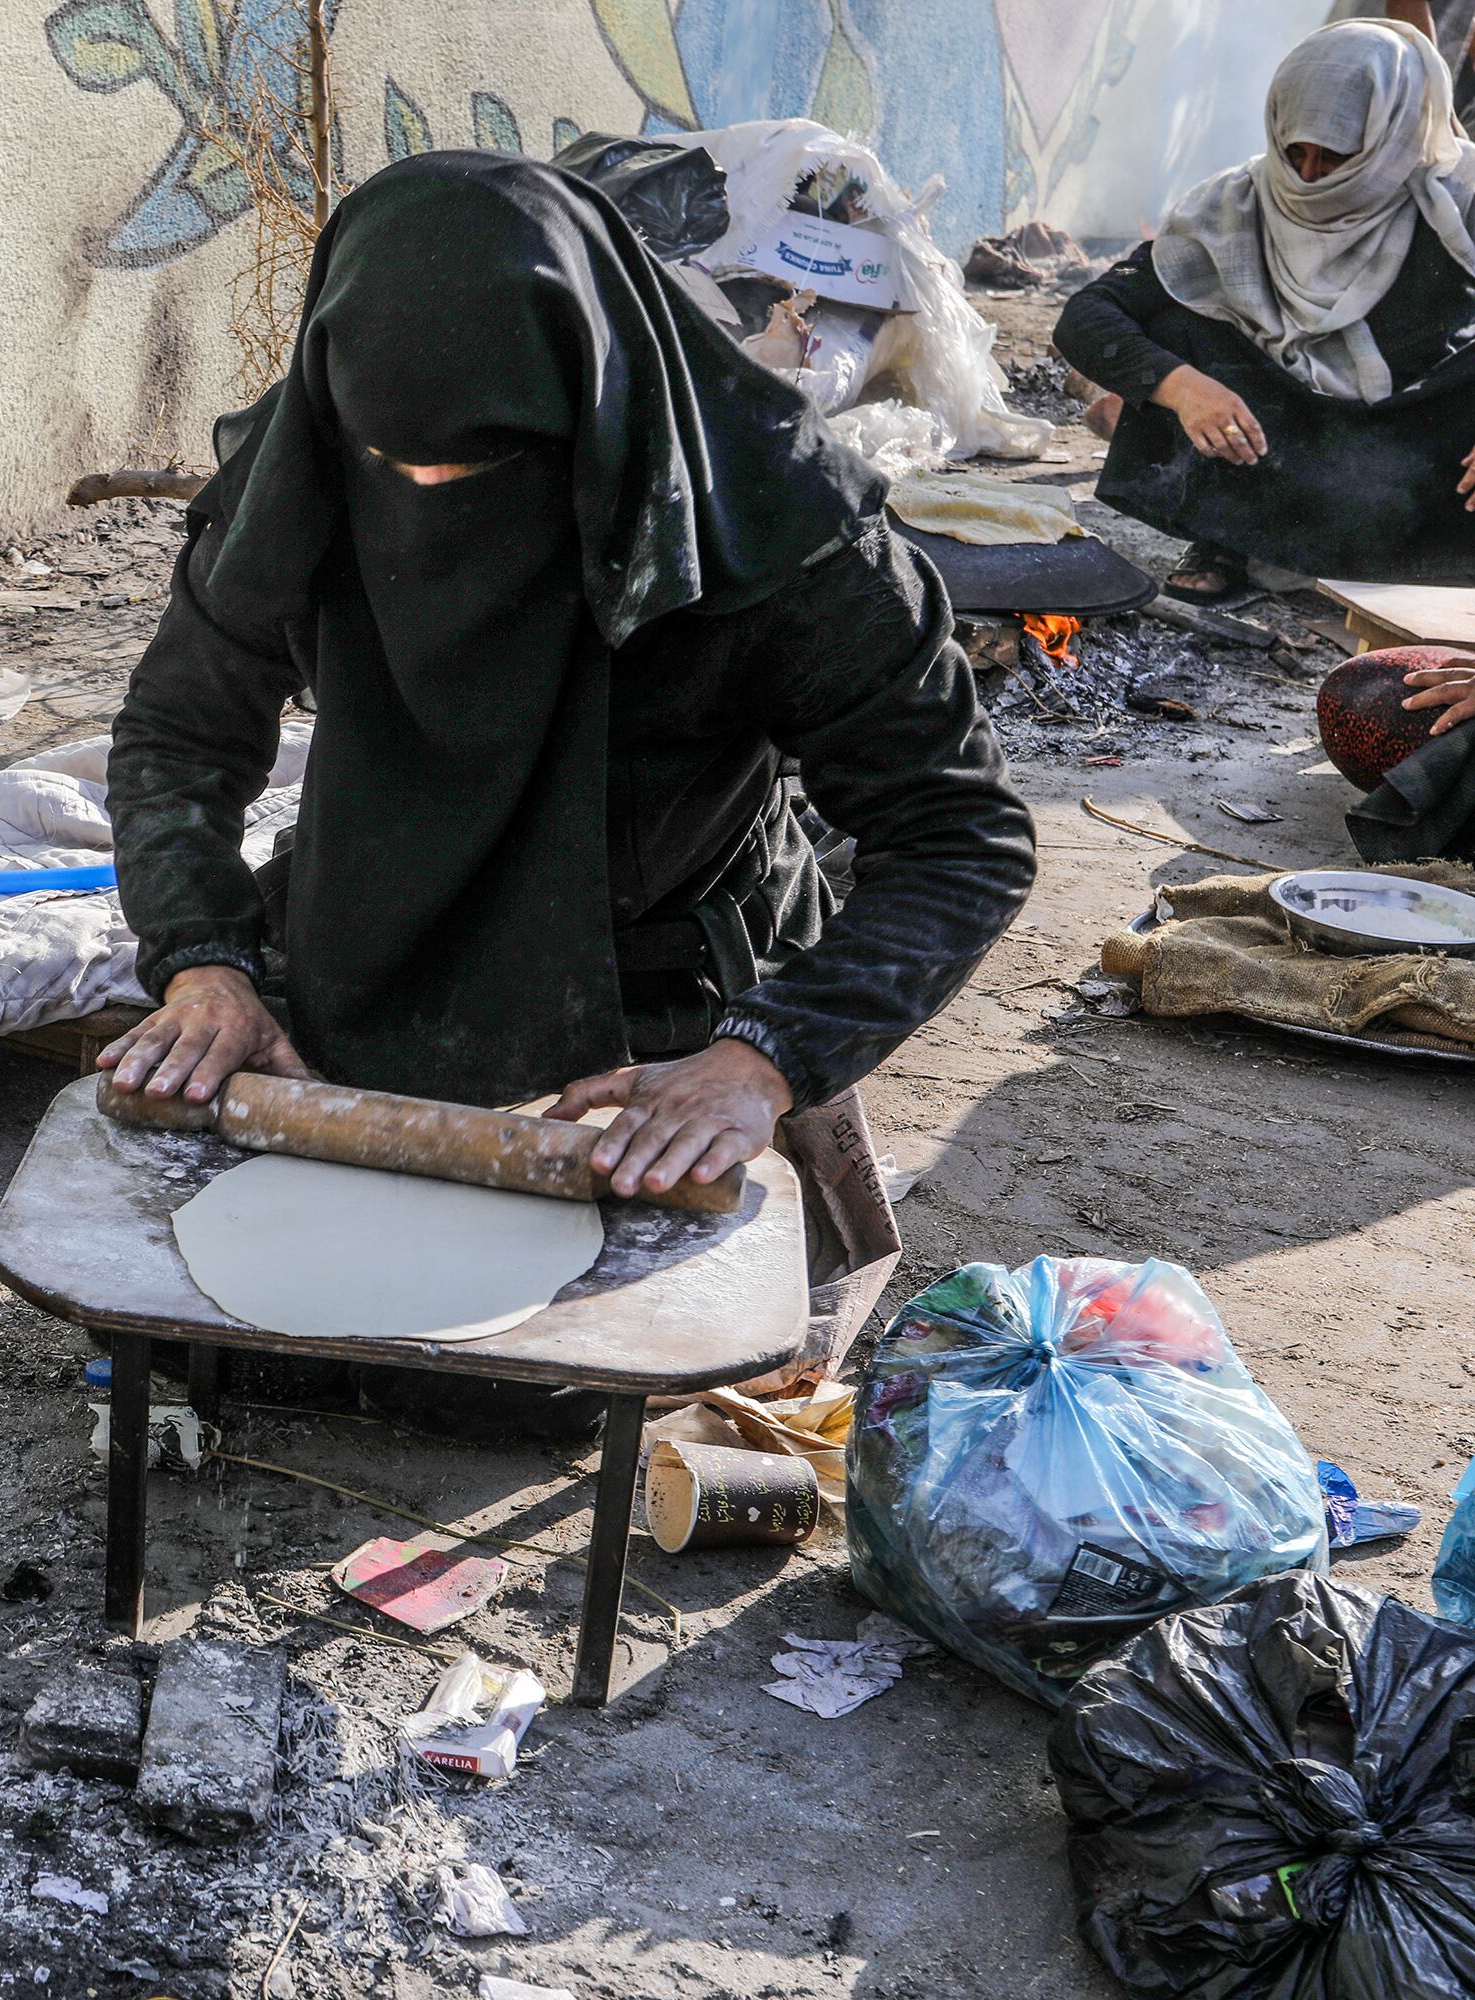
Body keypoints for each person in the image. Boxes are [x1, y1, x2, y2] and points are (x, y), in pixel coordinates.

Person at [101, 151, 1036, 1432]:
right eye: (394, 465)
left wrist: (758, 1059)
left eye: (489, 469)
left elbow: (961, 831)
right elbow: (177, 735)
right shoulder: (303, 468)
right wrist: (202, 957)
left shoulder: (775, 522)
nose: (429, 504)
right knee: (250, 1338)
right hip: (368, 926)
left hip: (648, 984)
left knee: (549, 1378)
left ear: (589, 412)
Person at [1056, 18, 1475, 598]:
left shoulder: (1461, 201)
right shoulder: (1232, 209)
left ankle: (1411, 563)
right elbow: (1087, 315)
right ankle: (1231, 537)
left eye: (1334, 158)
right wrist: (1184, 389)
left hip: (1411, 463)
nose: (1307, 178)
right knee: (1179, 316)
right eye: (1292, 151)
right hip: (1287, 457)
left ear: (1392, 132)